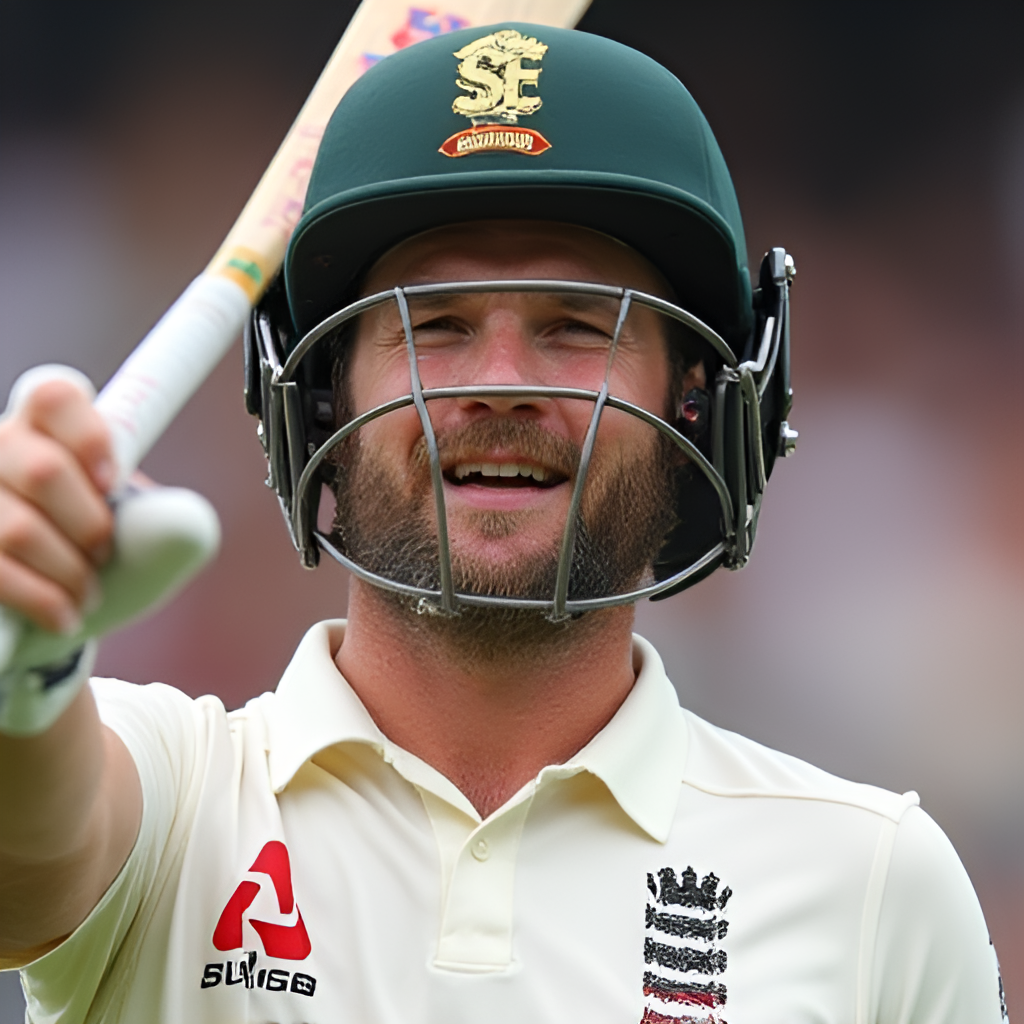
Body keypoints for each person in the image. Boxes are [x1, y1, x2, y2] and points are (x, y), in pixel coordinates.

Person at [0, 23, 1007, 1024]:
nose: (499, 384)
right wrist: (26, 677)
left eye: (576, 323)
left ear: (693, 403)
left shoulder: (874, 883)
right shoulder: (174, 796)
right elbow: (32, 855)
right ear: (322, 401)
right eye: (432, 324)